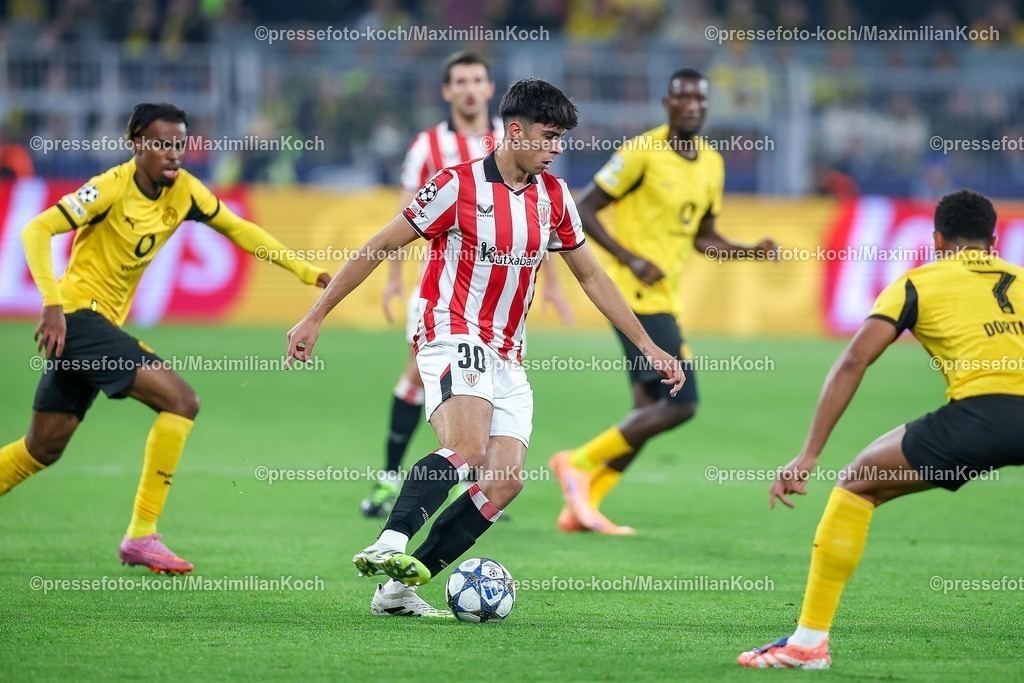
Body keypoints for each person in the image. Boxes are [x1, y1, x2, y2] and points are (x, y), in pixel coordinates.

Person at [284, 78, 685, 617]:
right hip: (451, 329)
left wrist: (647, 347)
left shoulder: (554, 197)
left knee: (504, 482)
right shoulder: (456, 185)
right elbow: (379, 245)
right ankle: (390, 541)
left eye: (562, 138)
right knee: (467, 450)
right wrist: (316, 314)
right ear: (515, 131)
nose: (556, 148)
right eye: (548, 136)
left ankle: (397, 592)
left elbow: (592, 276)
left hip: (508, 352)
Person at [0, 103, 329, 573]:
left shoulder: (186, 191)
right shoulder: (110, 188)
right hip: (76, 318)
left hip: (94, 328)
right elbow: (37, 228)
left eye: (179, 144)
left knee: (42, 448)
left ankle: (139, 536)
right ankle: (141, 535)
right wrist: (51, 303)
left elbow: (239, 229)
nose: (173, 153)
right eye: (161, 144)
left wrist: (306, 271)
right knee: (181, 401)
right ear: (136, 143)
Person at [738, 189, 1024, 669]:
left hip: (984, 415)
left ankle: (807, 644)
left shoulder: (917, 282)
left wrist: (809, 454)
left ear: (936, 240)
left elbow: (854, 360)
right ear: (994, 242)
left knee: (858, 482)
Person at [549, 67, 777, 534]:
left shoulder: (711, 163)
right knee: (681, 402)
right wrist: (629, 258)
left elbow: (704, 237)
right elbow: (583, 208)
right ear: (667, 104)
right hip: (634, 294)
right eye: (683, 98)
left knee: (647, 409)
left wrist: (748, 251)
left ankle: (582, 507)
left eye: (700, 99)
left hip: (665, 296)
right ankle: (577, 462)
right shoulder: (641, 152)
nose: (692, 106)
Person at [364, 51, 572, 518]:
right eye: (460, 81)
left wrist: (554, 284)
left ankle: (468, 481)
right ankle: (391, 476)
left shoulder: (516, 139)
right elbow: (403, 214)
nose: (470, 88)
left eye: (478, 80)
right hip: (444, 292)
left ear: (489, 87)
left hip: (497, 299)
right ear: (447, 90)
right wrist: (394, 277)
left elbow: (538, 223)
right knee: (416, 375)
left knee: (478, 391)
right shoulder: (429, 147)